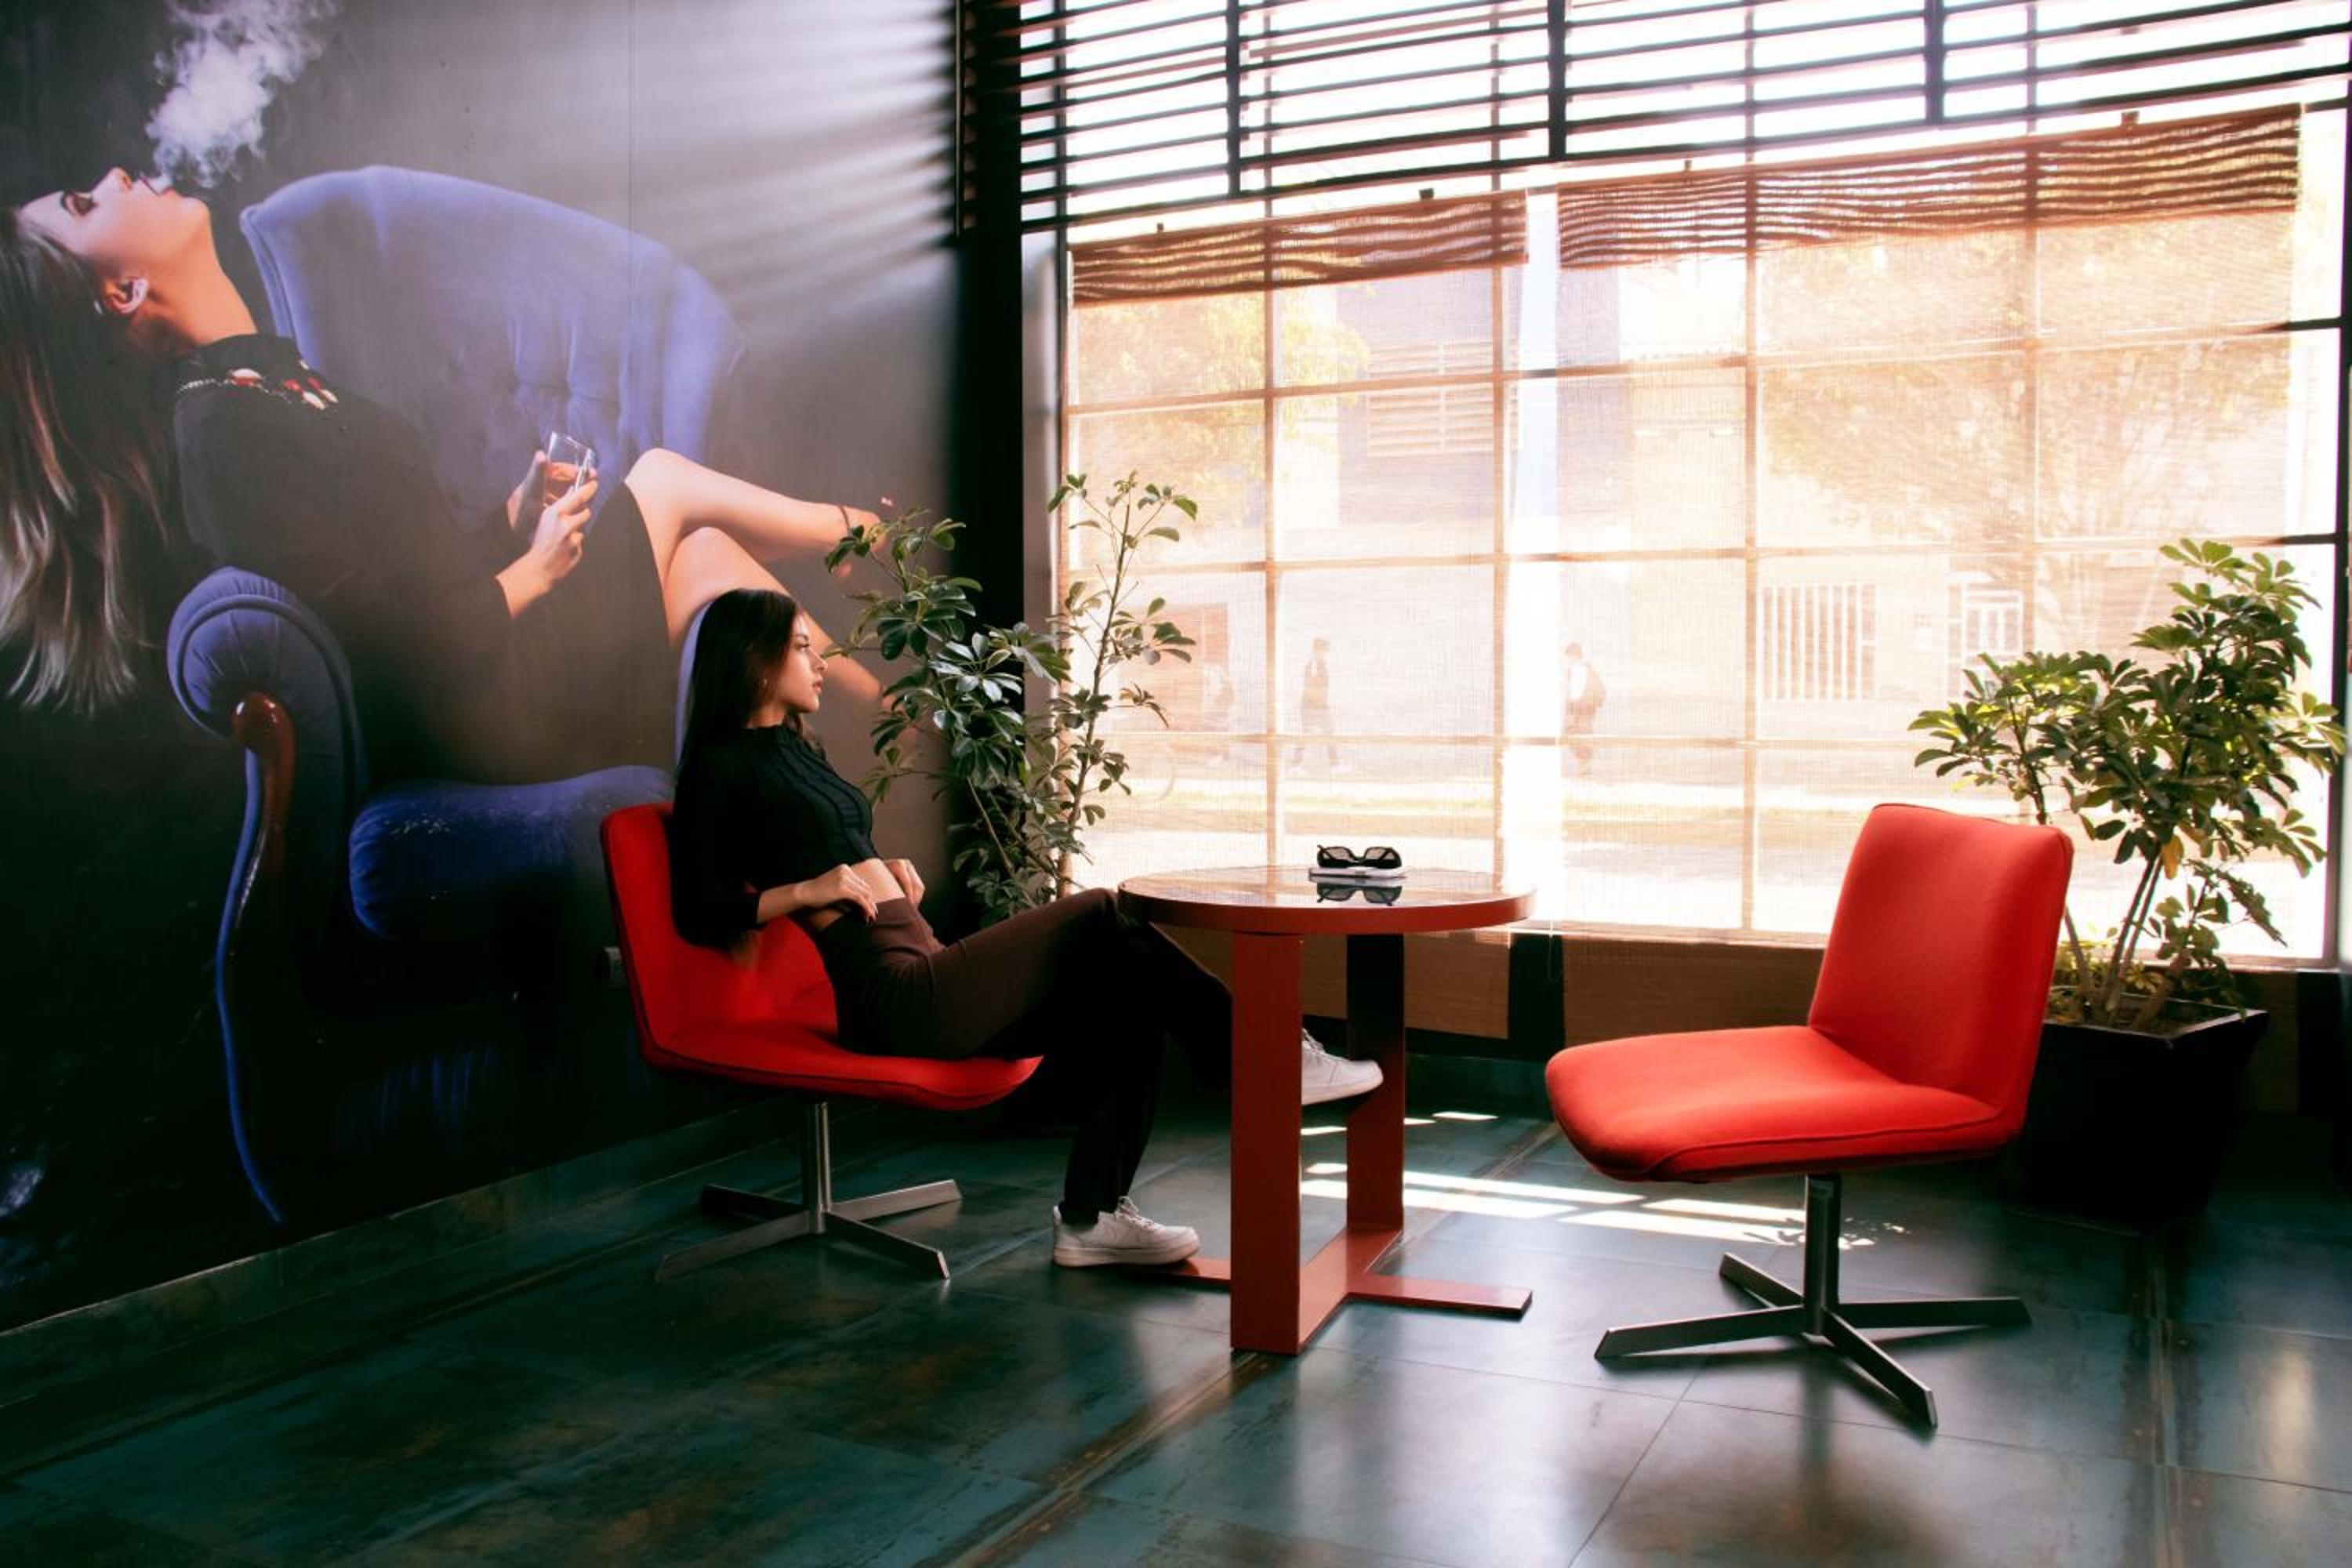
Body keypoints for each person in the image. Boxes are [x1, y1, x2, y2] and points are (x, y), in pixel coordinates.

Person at [0, 167, 877, 782]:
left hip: (494, 677)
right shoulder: (219, 435)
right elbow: (393, 648)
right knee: (664, 479)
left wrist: (509, 521)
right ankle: (864, 537)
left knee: (714, 560)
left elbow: (406, 576)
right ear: (121, 293)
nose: (115, 177)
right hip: (488, 719)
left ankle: (904, 737)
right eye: (85, 203)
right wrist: (536, 570)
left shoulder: (268, 382)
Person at [667, 589, 1382, 1267]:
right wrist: (806, 891)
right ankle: (1266, 1054)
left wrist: (881, 865)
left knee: (1128, 994)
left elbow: (819, 841)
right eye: (801, 647)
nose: (819, 661)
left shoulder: (798, 745)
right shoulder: (717, 765)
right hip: (894, 999)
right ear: (755, 657)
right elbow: (698, 909)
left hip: (923, 961)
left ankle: (1092, 1220)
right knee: (1099, 909)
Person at [1289, 636, 1336, 771]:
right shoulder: (1314, 665)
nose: (1325, 654)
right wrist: (1320, 705)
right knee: (1309, 735)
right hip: (1313, 707)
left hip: (1318, 706)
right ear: (1317, 651)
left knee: (1327, 733)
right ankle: (1296, 765)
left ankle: (1334, 764)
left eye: (1326, 652)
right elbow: (1311, 687)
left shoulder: (1321, 664)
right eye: (1324, 651)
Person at [1562, 641, 1605, 776]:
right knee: (1571, 734)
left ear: (1574, 655)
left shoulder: (1588, 670)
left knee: (1583, 736)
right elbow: (1570, 691)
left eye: (1569, 656)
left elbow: (1599, 691)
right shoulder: (1571, 671)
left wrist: (1590, 704)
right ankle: (1584, 766)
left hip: (1584, 708)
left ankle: (1584, 767)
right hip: (1573, 707)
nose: (1567, 660)